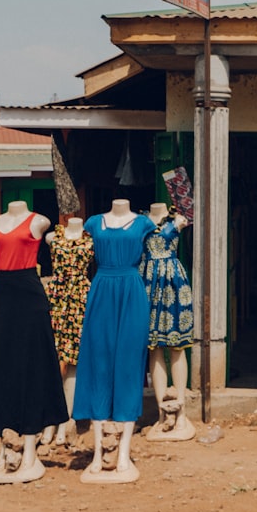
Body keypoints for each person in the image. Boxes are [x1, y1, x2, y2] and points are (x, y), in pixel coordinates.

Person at [0, 201, 69, 484]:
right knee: (0, 367)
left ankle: (31, 447)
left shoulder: (38, 220)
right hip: (1, 295)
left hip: (29, 294)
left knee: (32, 366)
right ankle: (6, 443)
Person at [72, 199, 156, 483]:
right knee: (99, 366)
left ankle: (124, 452)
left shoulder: (145, 224)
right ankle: (98, 452)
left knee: (129, 367)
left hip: (131, 292)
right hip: (102, 290)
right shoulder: (94, 223)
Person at [141, 202, 196, 442]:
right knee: (154, 348)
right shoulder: (140, 221)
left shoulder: (178, 219)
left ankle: (181, 411)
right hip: (146, 283)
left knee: (177, 346)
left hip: (173, 282)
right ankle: (163, 414)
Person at [41, 216, 93, 446]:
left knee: (73, 361)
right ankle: (48, 420)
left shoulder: (92, 239)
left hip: (80, 299)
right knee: (52, 359)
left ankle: (64, 421)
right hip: (56, 298)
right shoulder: (53, 237)